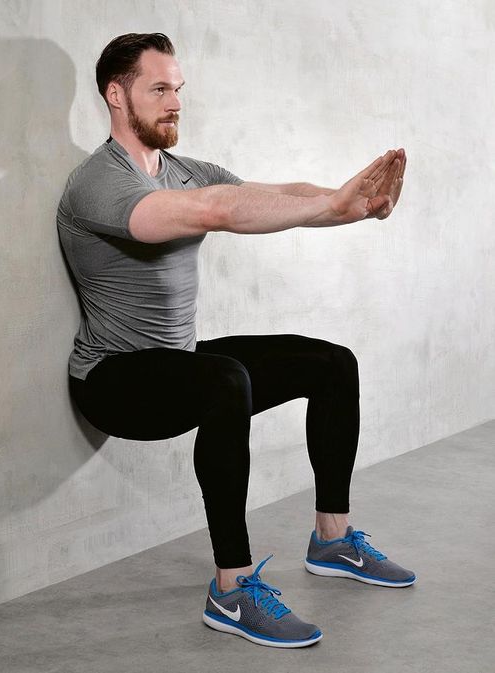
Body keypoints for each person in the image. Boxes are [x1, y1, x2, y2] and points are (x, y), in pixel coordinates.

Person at [56, 32, 415, 649]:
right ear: (116, 95)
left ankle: (332, 539)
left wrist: (350, 204)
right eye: (159, 89)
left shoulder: (187, 171)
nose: (174, 103)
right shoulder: (98, 185)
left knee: (332, 364)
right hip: (110, 380)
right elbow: (216, 211)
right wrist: (327, 201)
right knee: (227, 380)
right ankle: (231, 589)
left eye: (178, 89)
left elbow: (271, 198)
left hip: (175, 364)